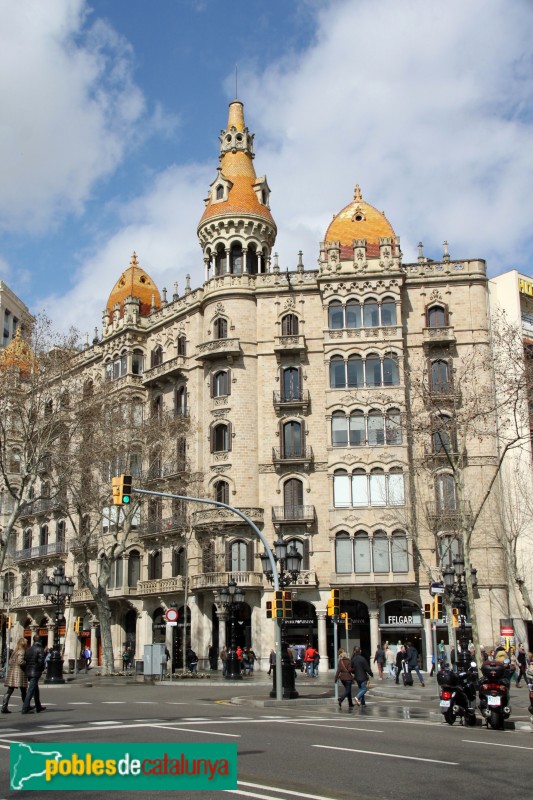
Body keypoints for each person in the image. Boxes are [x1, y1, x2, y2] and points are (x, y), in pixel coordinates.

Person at [1, 637, 28, 714]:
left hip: (12, 672)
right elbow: (20, 661)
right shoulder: (22, 651)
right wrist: (27, 663)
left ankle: (4, 706)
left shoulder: (15, 651)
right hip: (19, 673)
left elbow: (9, 662)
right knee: (23, 690)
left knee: (10, 690)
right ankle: (26, 706)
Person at [21, 635, 46, 714]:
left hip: (28, 671)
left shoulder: (28, 649)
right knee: (31, 690)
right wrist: (40, 669)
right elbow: (41, 661)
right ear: (40, 641)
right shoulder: (40, 649)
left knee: (35, 689)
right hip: (35, 671)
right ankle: (25, 708)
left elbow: (25, 660)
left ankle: (38, 706)